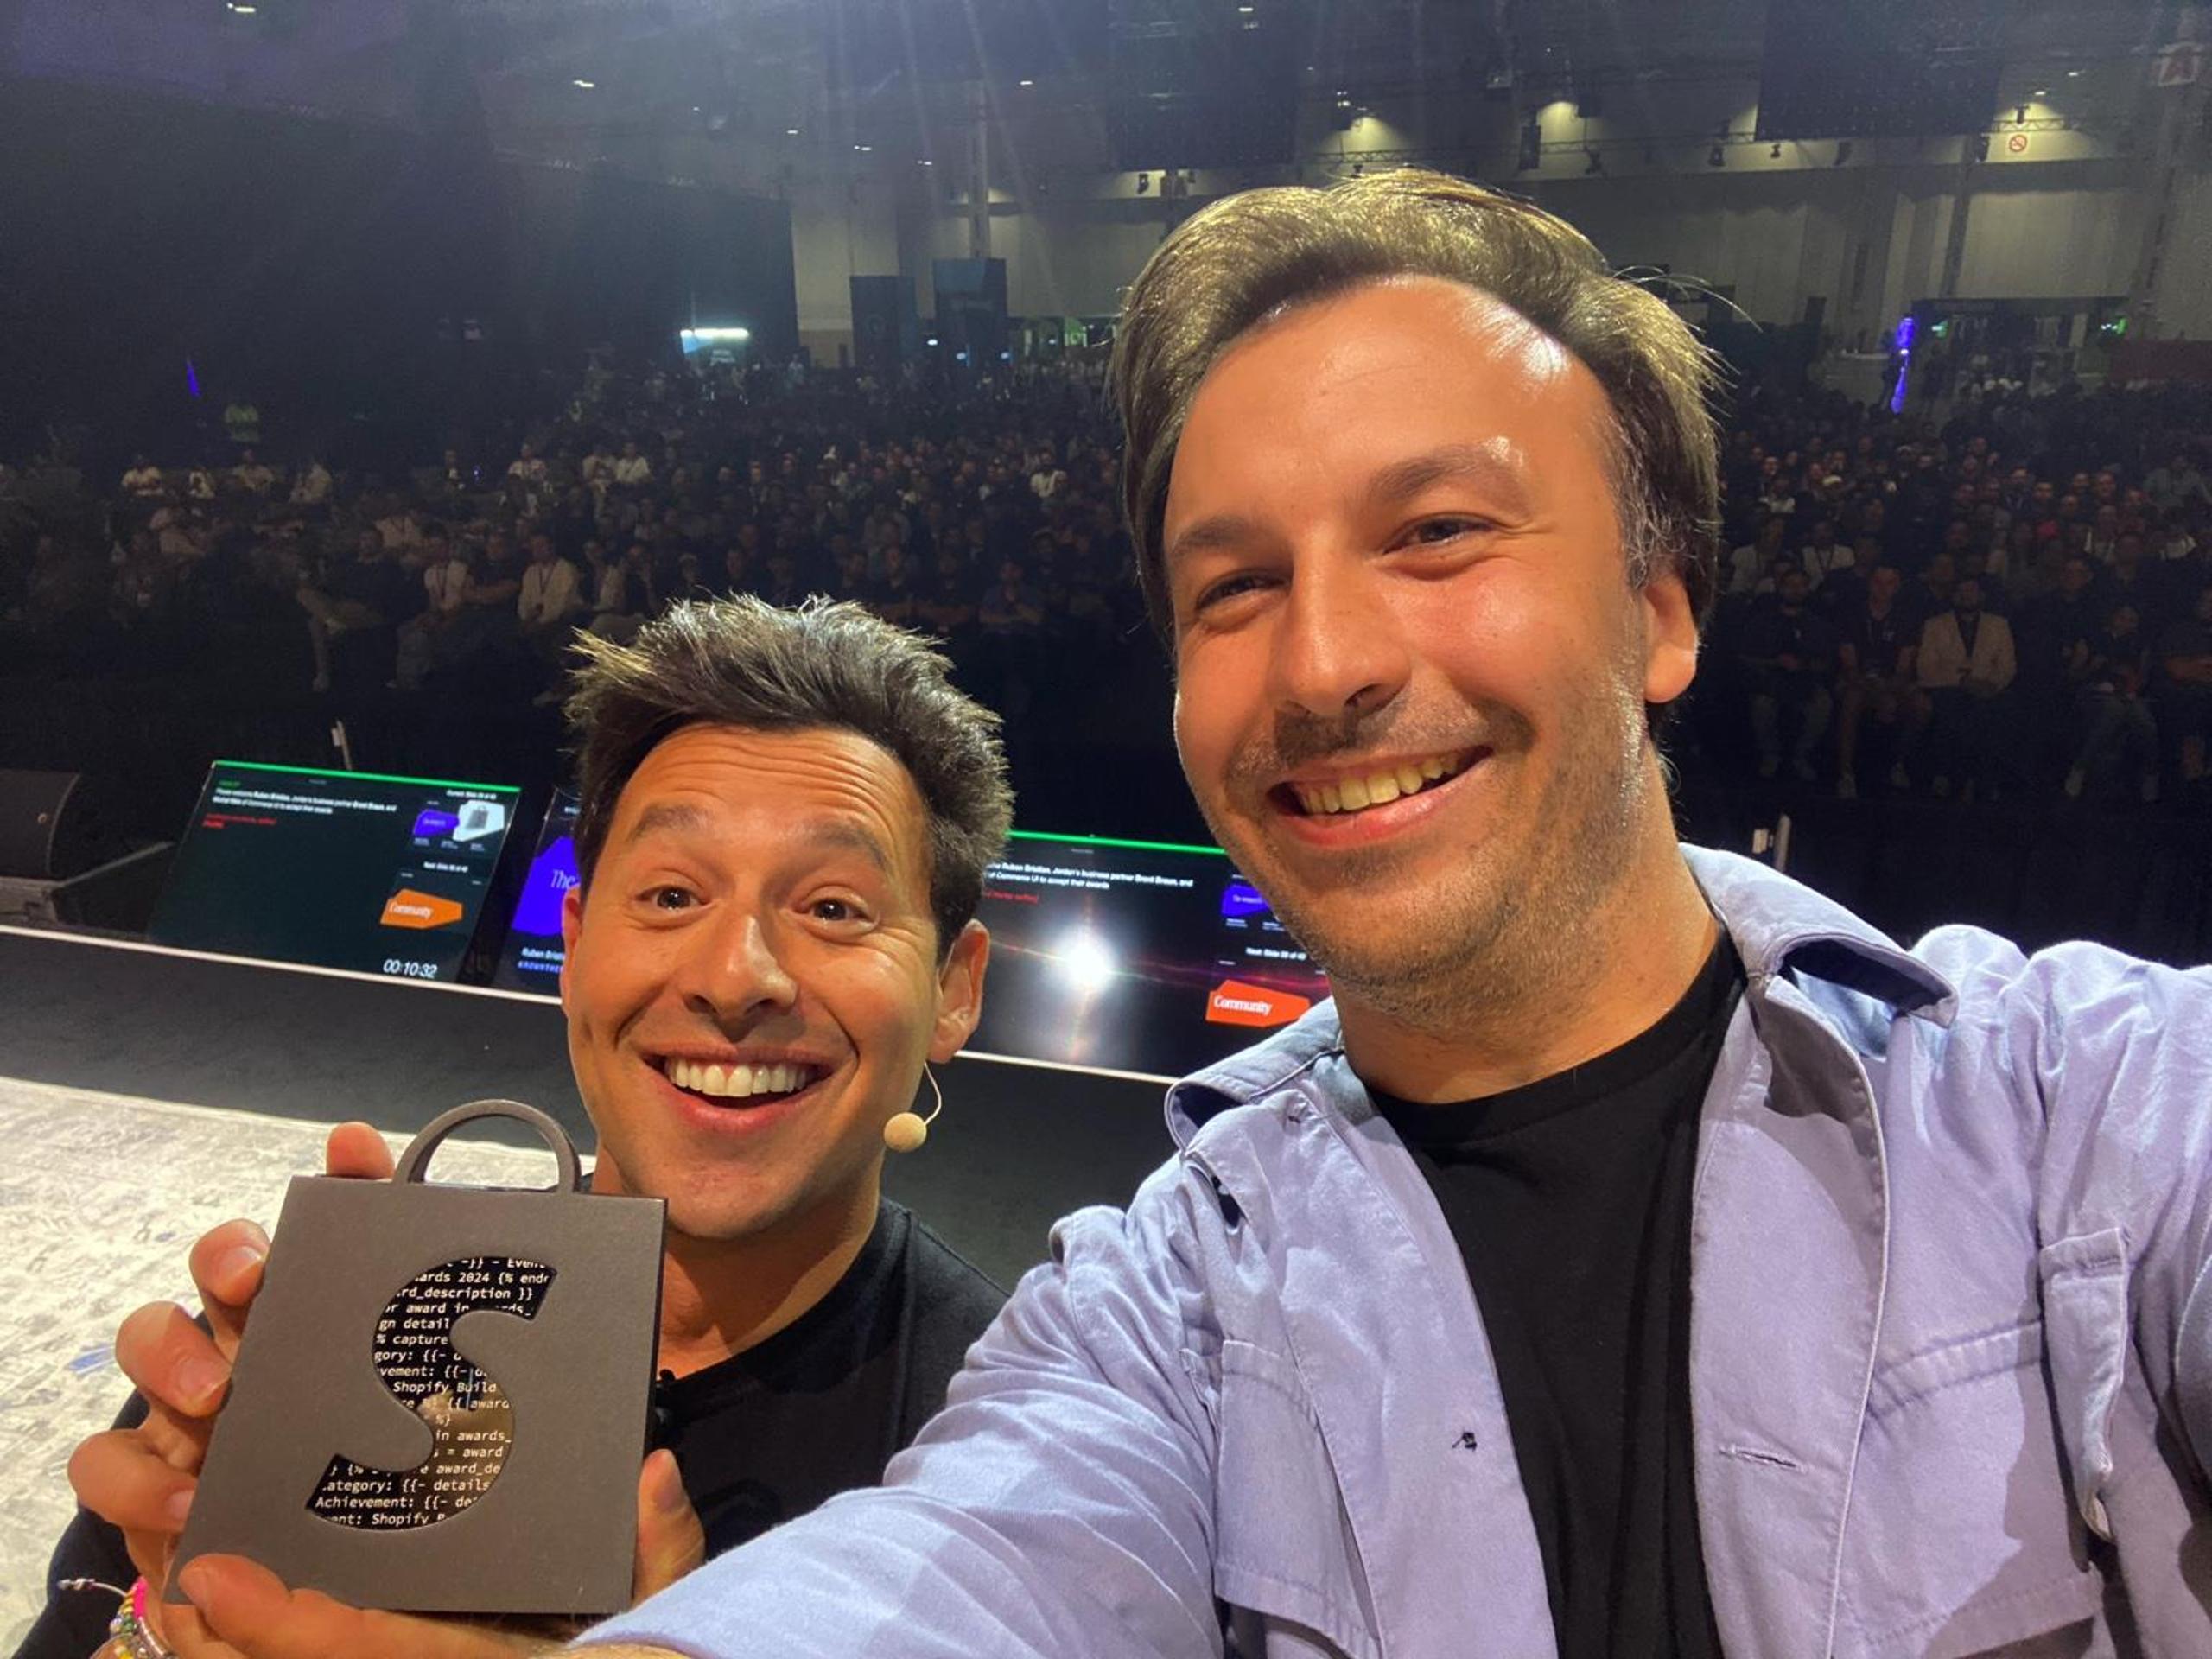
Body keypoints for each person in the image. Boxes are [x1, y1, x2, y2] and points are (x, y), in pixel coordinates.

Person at [130, 166, 2212, 1659]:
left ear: (1658, 609)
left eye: (1434, 532)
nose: (1317, 660)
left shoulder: (2082, 1117)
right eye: (1230, 584)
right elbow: (965, 1573)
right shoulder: (1161, 1309)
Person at [38, 597, 1013, 1659]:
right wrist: (166, 1611)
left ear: (953, 990)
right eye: (673, 894)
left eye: (832, 909)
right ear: (579, 942)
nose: (736, 978)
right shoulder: (336, 1335)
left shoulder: (1013, 1452)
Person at [1908, 574, 2017, 798]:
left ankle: (1980, 777)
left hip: (1987, 690)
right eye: (1961, 591)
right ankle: (1950, 773)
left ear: (1982, 595)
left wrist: (1991, 685)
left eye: (1971, 590)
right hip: (1947, 689)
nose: (1966, 596)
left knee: (1989, 711)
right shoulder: (1935, 625)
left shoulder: (1999, 624)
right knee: (1952, 707)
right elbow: (1926, 668)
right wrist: (1962, 681)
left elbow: (2007, 666)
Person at [1737, 566, 1834, 781]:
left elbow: (1827, 660)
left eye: (1801, 586)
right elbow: (1744, 655)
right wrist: (1774, 662)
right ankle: (1770, 754)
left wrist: (1805, 665)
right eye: (1790, 586)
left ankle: (1802, 755)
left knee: (1823, 705)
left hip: (1805, 681)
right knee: (1762, 706)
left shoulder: (1816, 624)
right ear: (1780, 588)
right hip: (1770, 681)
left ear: (1808, 589)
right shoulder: (1762, 621)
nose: (1795, 591)